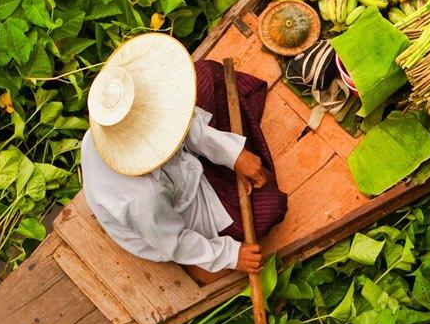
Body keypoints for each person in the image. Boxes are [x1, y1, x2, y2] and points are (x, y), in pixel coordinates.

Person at [79, 34, 288, 277]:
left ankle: (234, 162)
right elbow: (175, 242)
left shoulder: (113, 121)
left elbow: (183, 123)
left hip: (181, 168)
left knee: (207, 75)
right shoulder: (143, 202)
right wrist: (230, 255)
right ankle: (228, 178)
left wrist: (233, 155)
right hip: (183, 210)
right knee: (270, 207)